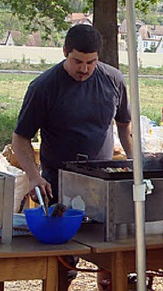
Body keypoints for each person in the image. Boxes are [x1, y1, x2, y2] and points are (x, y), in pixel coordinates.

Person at [13, 24, 133, 203]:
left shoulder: (113, 80)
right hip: (58, 181)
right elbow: (20, 138)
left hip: (103, 179)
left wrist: (135, 162)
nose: (84, 69)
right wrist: (33, 176)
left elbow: (124, 125)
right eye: (77, 61)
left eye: (91, 62)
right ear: (65, 52)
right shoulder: (43, 87)